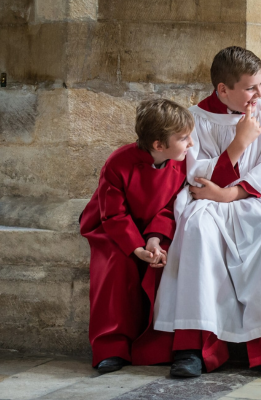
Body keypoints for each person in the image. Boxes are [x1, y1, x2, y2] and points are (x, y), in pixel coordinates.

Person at [153, 46, 261, 380]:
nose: (260, 93)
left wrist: (231, 193)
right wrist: (239, 143)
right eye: (251, 87)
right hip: (208, 202)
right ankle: (194, 346)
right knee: (197, 232)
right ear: (223, 89)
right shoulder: (196, 118)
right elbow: (198, 176)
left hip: (254, 198)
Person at [80, 98, 194, 374]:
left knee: (168, 261)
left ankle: (159, 346)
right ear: (158, 145)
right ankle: (111, 347)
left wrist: (153, 240)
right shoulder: (118, 162)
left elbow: (170, 206)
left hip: (155, 228)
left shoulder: (181, 163)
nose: (191, 144)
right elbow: (113, 215)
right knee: (115, 266)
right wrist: (135, 248)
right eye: (184, 138)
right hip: (113, 226)